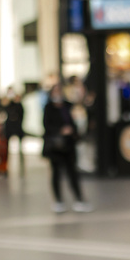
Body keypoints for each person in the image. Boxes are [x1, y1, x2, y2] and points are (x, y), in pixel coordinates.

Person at [42, 84, 90, 213]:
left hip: (68, 146)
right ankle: (58, 200)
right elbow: (46, 125)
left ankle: (79, 199)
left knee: (72, 173)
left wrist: (72, 132)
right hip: (55, 146)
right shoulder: (48, 108)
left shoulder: (68, 106)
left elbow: (74, 122)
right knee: (56, 173)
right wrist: (60, 131)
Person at [0, 88, 26, 172]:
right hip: (8, 127)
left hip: (17, 127)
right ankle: (4, 167)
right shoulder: (4, 103)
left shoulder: (17, 103)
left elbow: (22, 114)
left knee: (21, 148)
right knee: (5, 148)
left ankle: (22, 166)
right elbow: (0, 113)